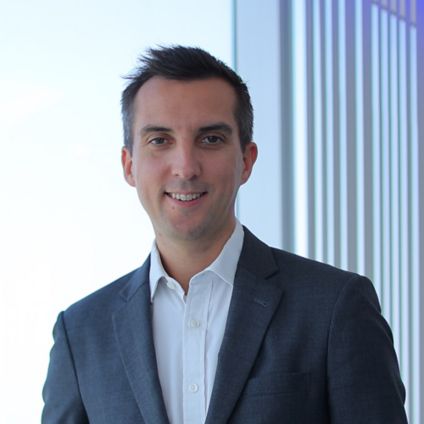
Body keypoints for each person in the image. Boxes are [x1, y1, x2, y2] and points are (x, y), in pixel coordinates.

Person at [42, 46, 407, 424]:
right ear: (129, 165)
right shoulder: (80, 334)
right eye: (160, 140)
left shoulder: (334, 308)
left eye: (211, 139)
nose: (185, 168)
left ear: (246, 160)